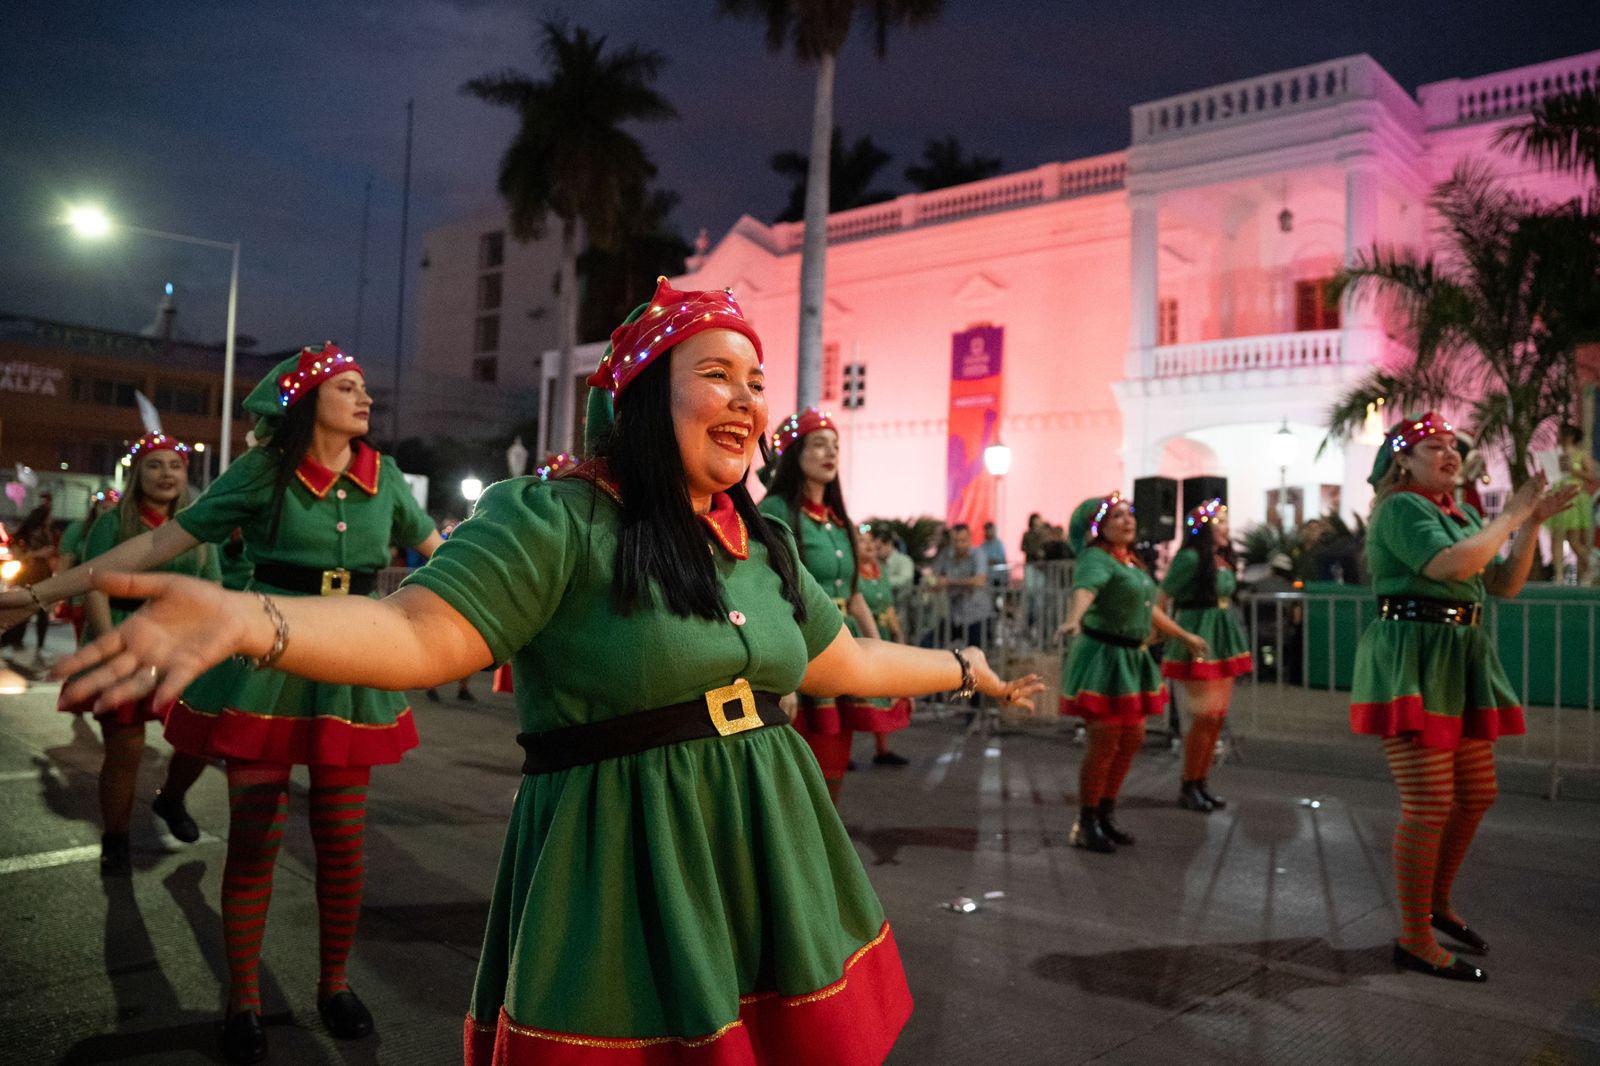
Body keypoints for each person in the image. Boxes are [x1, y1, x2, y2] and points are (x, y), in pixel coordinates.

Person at [50, 276, 1042, 1066]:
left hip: (773, 845)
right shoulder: (555, 515)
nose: (747, 399)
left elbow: (847, 660)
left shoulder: (766, 538)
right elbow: (416, 632)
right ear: (647, 394)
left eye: (755, 380)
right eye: (717, 374)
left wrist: (969, 668)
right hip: (627, 852)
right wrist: (250, 616)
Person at [8, 342, 444, 1063]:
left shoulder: (386, 477)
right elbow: (153, 549)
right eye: (346, 387)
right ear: (307, 402)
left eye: (364, 387)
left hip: (351, 662)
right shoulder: (263, 472)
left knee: (342, 842)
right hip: (265, 662)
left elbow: (446, 554)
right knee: (254, 838)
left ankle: (334, 985)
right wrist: (37, 594)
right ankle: (242, 998)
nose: (365, 398)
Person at [1351, 412, 1573, 983]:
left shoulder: (1462, 513)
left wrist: (1529, 524)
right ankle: (1414, 937)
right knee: (1428, 802)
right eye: (1434, 446)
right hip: (1413, 659)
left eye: (1453, 445)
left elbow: (1504, 584)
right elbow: (1451, 564)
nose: (1449, 454)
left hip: (1458, 657)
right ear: (1403, 460)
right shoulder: (1400, 508)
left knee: (1476, 792)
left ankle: (1435, 903)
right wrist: (1515, 513)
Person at [59, 439, 217, 874]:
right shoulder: (112, 524)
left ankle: (172, 798)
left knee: (202, 737)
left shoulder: (198, 527)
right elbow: (94, 586)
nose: (166, 474)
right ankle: (115, 839)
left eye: (175, 466)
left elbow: (213, 591)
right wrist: (114, 647)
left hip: (180, 646)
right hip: (124, 639)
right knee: (126, 748)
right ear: (137, 475)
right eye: (155, 466)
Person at [1055, 493, 1207, 854]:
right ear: (1099, 527)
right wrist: (1074, 619)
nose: (1128, 521)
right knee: (1105, 740)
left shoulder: (1130, 561)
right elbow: (1085, 591)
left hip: (1131, 659)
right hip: (1104, 659)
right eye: (1117, 517)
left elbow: (1148, 608)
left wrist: (1184, 636)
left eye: (1130, 515)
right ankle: (1086, 821)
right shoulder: (1096, 557)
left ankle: (1105, 813)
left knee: (1132, 738)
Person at [758, 405, 886, 804]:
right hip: (800, 652)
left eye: (835, 445)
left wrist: (881, 652)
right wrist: (783, 679)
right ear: (795, 454)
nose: (830, 453)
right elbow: (766, 594)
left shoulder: (838, 520)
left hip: (840, 651)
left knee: (832, 773)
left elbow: (855, 596)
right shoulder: (774, 510)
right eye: (818, 445)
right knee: (794, 784)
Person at [1158, 499, 1252, 813]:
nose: (1226, 527)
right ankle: (1189, 784)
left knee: (1216, 718)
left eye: (1226, 521)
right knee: (1203, 718)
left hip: (1222, 636)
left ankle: (1200, 782)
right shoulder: (1189, 558)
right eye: (1220, 521)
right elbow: (1162, 595)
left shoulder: (1220, 558)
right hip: (1198, 634)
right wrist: (1164, 632)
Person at [853, 526, 913, 766]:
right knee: (854, 693)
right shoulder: (851, 573)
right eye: (862, 541)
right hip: (858, 635)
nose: (870, 546)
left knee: (882, 691)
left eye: (871, 542)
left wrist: (898, 634)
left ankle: (882, 748)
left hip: (883, 634)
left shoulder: (882, 570)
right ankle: (844, 753)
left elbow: (888, 605)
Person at [56, 489, 121, 643]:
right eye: (104, 507)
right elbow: (66, 560)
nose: (108, 512)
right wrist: (57, 594)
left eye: (113, 508)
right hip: (83, 595)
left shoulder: (124, 529)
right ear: (95, 508)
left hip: (118, 596)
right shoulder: (79, 528)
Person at [2, 493, 55, 660]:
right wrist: (34, 554)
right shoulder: (38, 532)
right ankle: (22, 643)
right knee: (36, 606)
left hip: (35, 571)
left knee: (34, 607)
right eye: (49, 517)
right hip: (35, 572)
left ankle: (20, 643)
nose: (51, 520)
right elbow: (46, 550)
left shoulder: (39, 532)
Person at [1545, 423, 1595, 584]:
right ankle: (1559, 575)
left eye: (1562, 434)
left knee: (1574, 541)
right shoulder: (1555, 453)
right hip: (1558, 495)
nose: (1559, 437)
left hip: (1575, 497)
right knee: (1556, 537)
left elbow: (1591, 476)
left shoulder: (1581, 454)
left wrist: (1572, 469)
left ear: (1571, 436)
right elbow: (1551, 477)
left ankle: (1592, 565)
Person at [930, 523, 994, 648]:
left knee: (975, 653)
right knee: (930, 643)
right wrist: (966, 583)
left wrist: (949, 582)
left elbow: (979, 581)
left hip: (977, 615)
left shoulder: (978, 554)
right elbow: (935, 580)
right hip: (954, 615)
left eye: (962, 540)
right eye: (955, 541)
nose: (959, 545)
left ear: (970, 539)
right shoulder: (945, 555)